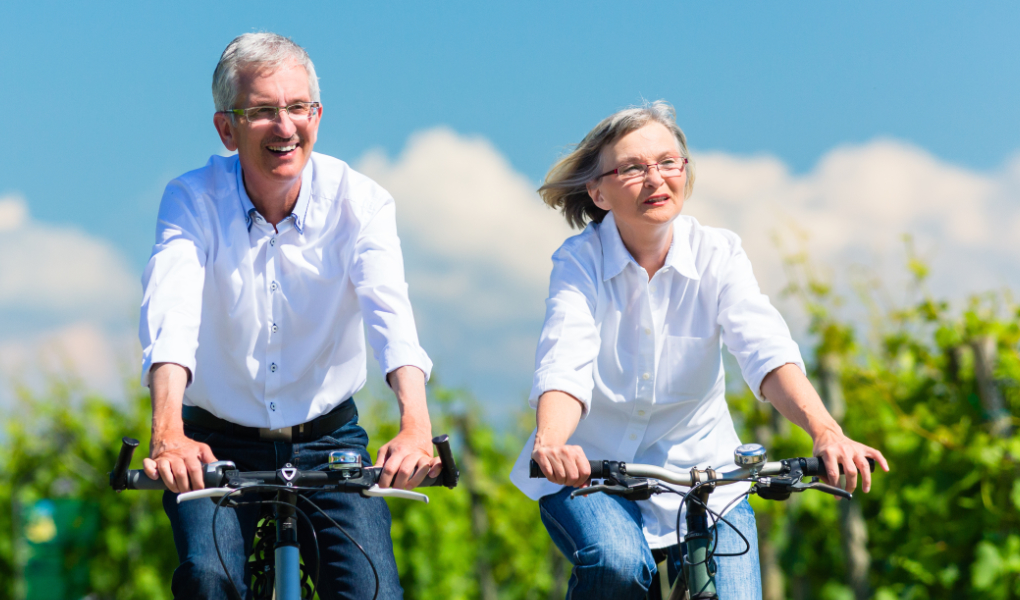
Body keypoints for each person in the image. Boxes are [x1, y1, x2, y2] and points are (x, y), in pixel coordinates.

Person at [509, 101, 889, 599]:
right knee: (618, 564)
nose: (656, 179)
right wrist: (554, 442)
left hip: (705, 477)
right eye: (633, 168)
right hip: (593, 475)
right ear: (598, 192)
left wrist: (825, 430)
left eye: (669, 163)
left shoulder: (719, 254)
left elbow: (764, 347)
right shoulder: (579, 262)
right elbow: (566, 353)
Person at [138, 32, 438, 600]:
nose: (285, 126)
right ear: (226, 129)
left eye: (298, 108)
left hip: (328, 437)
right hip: (214, 441)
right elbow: (170, 310)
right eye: (262, 112)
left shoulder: (362, 201)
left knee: (375, 594)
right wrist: (168, 433)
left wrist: (415, 427)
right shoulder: (191, 200)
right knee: (208, 580)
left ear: (317, 116)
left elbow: (389, 314)